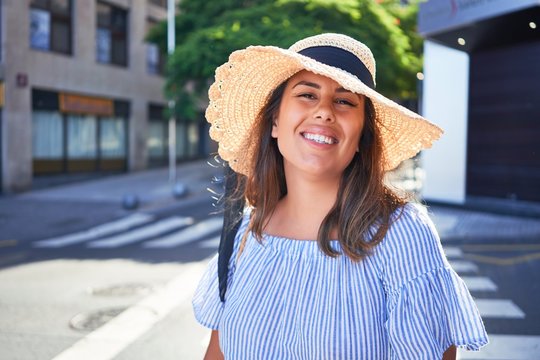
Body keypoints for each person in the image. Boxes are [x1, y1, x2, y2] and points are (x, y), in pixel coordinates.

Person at [193, 33, 488, 359]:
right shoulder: (243, 235)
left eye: (345, 101)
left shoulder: (401, 234)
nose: (324, 112)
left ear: (362, 134)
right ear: (275, 120)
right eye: (307, 94)